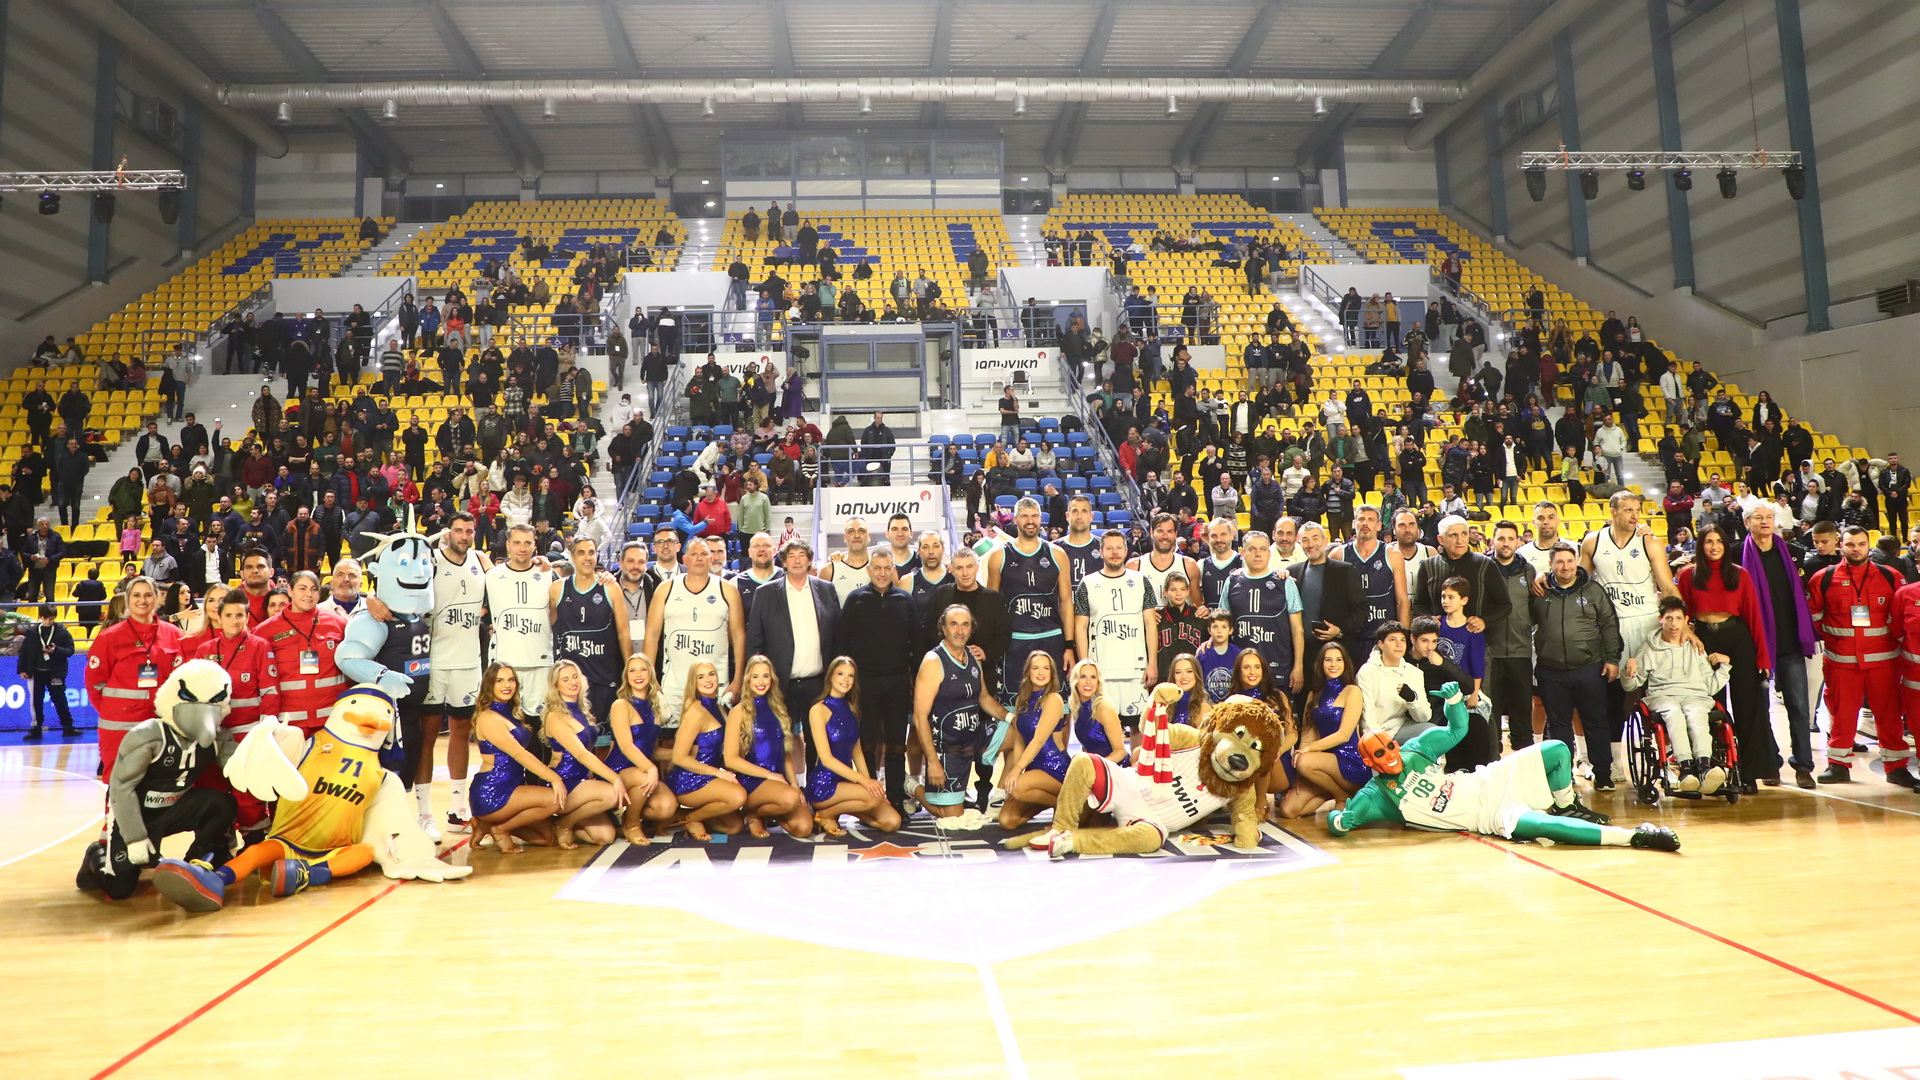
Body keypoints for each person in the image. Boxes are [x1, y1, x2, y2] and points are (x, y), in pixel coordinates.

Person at [1328, 686, 1677, 852]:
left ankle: (1567, 803)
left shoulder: (1414, 750)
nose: (1391, 753)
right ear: (1369, 762)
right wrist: (1339, 821)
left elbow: (1457, 729)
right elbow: (1340, 824)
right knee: (1548, 829)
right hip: (1488, 815)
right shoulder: (1376, 796)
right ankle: (1635, 836)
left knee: (1557, 749)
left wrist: (1454, 703)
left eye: (1390, 745)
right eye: (1380, 752)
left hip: (1489, 778)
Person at [1581, 491, 1680, 781]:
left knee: (1656, 692)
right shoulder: (1593, 541)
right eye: (1628, 510)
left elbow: (1666, 585)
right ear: (1612, 511)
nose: (1635, 515)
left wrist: (1684, 623)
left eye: (1637, 509)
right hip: (1611, 626)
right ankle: (1615, 761)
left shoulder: (1650, 541)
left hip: (1647, 623)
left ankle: (1667, 760)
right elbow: (1579, 583)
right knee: (1612, 697)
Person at [1675, 524, 1772, 790]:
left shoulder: (1740, 574)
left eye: (1719, 541)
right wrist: (1689, 633)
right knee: (1710, 709)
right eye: (1709, 541)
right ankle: (1715, 773)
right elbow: (1682, 613)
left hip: (1738, 640)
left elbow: (1754, 616)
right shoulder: (1688, 575)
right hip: (1704, 642)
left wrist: (1763, 658)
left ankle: (1749, 774)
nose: (1714, 546)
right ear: (1701, 545)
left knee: (1748, 708)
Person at [1808, 525, 1903, 785]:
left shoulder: (1890, 576)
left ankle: (1896, 767)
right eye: (1850, 544)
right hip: (1841, 661)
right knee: (1841, 714)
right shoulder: (1823, 578)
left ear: (1868, 545)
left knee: (1889, 715)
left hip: (1883, 661)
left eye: (1861, 544)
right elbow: (1813, 616)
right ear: (1841, 545)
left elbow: (1900, 615)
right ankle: (1838, 765)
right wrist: (1834, 641)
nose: (1856, 549)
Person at [831, 548, 921, 812]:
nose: (882, 573)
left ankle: (896, 799)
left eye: (887, 568)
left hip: (897, 683)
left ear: (894, 570)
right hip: (864, 685)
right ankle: (871, 801)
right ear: (869, 570)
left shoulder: (905, 600)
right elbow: (841, 642)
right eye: (877, 568)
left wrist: (917, 681)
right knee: (867, 744)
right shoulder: (855, 599)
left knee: (896, 745)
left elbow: (917, 643)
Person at [1532, 543, 1623, 788]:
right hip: (1551, 671)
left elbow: (1609, 624)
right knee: (1558, 727)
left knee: (1596, 722)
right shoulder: (1540, 591)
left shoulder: (1593, 590)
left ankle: (1603, 774)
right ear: (1550, 565)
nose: (1566, 567)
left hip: (1589, 668)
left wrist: (1612, 659)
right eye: (1559, 562)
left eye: (1570, 561)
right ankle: (1563, 777)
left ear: (1576, 562)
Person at [1623, 597, 1733, 794]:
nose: (1674, 624)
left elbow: (1710, 686)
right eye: (1669, 618)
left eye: (1678, 618)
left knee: (1696, 712)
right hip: (1662, 695)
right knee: (1673, 712)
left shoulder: (1695, 647)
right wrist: (1628, 671)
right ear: (1661, 620)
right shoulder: (1649, 648)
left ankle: (1704, 767)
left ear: (1686, 620)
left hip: (1695, 695)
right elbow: (1631, 685)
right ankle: (1686, 768)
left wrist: (1724, 666)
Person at [911, 604, 1010, 817]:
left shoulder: (973, 656)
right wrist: (932, 761)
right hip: (948, 749)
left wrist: (1012, 717)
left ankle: (999, 797)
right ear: (944, 628)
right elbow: (920, 717)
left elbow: (984, 698)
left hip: (974, 738)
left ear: (971, 628)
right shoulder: (933, 661)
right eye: (954, 624)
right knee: (951, 817)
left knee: (1020, 731)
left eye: (965, 625)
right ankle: (913, 786)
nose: (960, 630)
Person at [84, 577, 183, 785]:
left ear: (157, 598)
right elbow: (95, 683)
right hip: (119, 726)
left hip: (162, 724)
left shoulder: (174, 634)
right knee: (120, 785)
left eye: (148, 595)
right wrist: (113, 710)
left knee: (160, 786)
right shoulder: (109, 637)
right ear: (128, 599)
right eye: (136, 595)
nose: (142, 600)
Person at [645, 533, 747, 730]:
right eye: (694, 554)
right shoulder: (666, 589)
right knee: (669, 740)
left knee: (716, 739)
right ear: (684, 559)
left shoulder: (727, 590)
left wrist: (738, 679)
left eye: (704, 554)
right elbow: (652, 635)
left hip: (716, 684)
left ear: (711, 558)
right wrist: (651, 677)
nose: (699, 558)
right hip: (674, 685)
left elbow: (738, 636)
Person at [469, 664, 564, 853]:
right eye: (499, 681)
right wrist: (554, 779)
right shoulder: (488, 718)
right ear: (489, 685)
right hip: (493, 792)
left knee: (548, 838)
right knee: (555, 800)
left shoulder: (513, 712)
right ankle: (499, 828)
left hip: (514, 787)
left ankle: (486, 825)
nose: (507, 685)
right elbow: (520, 754)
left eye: (511, 680)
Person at [804, 657, 902, 835]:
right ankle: (825, 813)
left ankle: (835, 811)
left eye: (850, 676)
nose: (845, 679)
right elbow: (826, 759)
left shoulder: (851, 708)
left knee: (892, 822)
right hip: (825, 785)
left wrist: (871, 785)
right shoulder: (818, 710)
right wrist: (863, 782)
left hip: (847, 784)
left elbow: (857, 754)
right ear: (830, 677)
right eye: (840, 674)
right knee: (873, 798)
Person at [988, 498, 1074, 697]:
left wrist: (1069, 645)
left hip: (1051, 638)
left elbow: (1066, 602)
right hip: (1015, 640)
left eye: (1034, 516)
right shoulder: (999, 556)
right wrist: (993, 647)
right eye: (1025, 516)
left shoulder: (1057, 554)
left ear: (1040, 519)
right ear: (1015, 519)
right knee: (1017, 704)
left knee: (1057, 704)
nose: (1030, 520)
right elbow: (991, 606)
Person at [1072, 530, 1159, 725]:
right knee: (1099, 726)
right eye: (1109, 548)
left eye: (1119, 547)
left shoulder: (1142, 581)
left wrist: (1152, 663)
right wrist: (1085, 664)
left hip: (1136, 669)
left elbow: (1150, 624)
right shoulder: (1087, 583)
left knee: (1139, 726)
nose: (1114, 552)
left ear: (1126, 551)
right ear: (1101, 552)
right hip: (1101, 670)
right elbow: (1081, 627)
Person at [723, 655, 813, 838]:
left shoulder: (779, 709)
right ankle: (752, 811)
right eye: (755, 676)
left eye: (765, 676)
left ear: (772, 679)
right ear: (748, 679)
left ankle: (760, 813)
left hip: (779, 781)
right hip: (752, 781)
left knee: (803, 828)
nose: (761, 681)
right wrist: (768, 775)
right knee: (790, 798)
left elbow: (786, 753)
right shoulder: (738, 712)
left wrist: (794, 784)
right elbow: (730, 760)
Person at [542, 660, 627, 850]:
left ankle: (562, 822)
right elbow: (581, 754)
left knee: (605, 837)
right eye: (565, 679)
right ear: (556, 685)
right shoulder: (555, 716)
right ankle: (564, 824)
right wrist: (614, 778)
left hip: (582, 782)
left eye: (575, 677)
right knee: (612, 794)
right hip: (564, 783)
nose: (572, 682)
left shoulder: (581, 708)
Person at [1278, 640, 1367, 819]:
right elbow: (1307, 736)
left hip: (1349, 760)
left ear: (1345, 663)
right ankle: (1335, 791)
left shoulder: (1352, 691)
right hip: (1320, 765)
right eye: (1328, 660)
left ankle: (1341, 796)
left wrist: (1309, 751)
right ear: (1321, 664)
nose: (1334, 664)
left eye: (1338, 660)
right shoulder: (1313, 695)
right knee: (1288, 810)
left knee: (1305, 761)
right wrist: (1300, 771)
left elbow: (1344, 735)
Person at [255, 571, 348, 734]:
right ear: (290, 591)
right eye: (302, 588)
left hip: (332, 721)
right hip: (288, 724)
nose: (308, 594)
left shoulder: (338, 623)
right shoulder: (265, 631)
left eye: (314, 589)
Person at [665, 660, 749, 840]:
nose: (708, 680)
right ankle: (690, 819)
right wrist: (717, 773)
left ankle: (684, 815)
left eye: (711, 674)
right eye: (701, 677)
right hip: (689, 780)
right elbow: (678, 757)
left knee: (734, 827)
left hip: (710, 776)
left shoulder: (718, 707)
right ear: (693, 682)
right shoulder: (696, 712)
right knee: (737, 796)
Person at [484, 525, 557, 721]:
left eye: (527, 543)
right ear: (508, 545)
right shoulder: (492, 576)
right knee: (503, 725)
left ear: (535, 546)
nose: (522, 548)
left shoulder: (548, 573)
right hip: (505, 664)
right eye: (517, 543)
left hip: (540, 663)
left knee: (539, 727)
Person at [1223, 531, 1306, 694]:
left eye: (1262, 549)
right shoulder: (1232, 582)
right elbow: (1222, 623)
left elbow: (1297, 629)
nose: (1258, 554)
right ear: (1243, 553)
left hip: (1279, 668)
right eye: (1252, 549)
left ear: (1269, 552)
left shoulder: (1285, 582)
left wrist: (1298, 666)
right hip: (1242, 671)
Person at [997, 651, 1069, 830]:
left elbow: (1038, 740)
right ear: (1028, 672)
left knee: (1017, 788)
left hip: (1054, 768)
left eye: (1046, 668)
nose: (1041, 672)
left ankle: (1063, 806)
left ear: (1052, 673)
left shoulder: (1053, 699)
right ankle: (1054, 802)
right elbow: (1019, 742)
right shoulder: (1022, 699)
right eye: (1035, 668)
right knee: (1007, 820)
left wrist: (1017, 772)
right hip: (1033, 769)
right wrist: (1018, 772)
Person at [1485, 520, 1538, 751]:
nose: (1506, 543)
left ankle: (1525, 762)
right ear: (1493, 541)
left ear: (1518, 542)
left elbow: (1534, 608)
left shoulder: (1528, 570)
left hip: (1520, 651)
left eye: (1510, 539)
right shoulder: (1483, 568)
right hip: (1490, 653)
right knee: (1491, 714)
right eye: (1501, 538)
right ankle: (1491, 761)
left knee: (1522, 714)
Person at [1333, 504, 1411, 644]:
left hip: (1384, 637)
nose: (1365, 523)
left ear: (1379, 525)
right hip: (1350, 636)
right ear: (1354, 524)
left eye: (1370, 519)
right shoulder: (1338, 554)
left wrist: (1404, 638)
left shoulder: (1392, 554)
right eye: (1361, 519)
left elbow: (1402, 601)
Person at [20, 607, 79, 738]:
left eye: (51, 619)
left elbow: (70, 651)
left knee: (60, 700)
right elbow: (24, 651)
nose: (48, 622)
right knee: (36, 702)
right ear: (40, 617)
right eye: (45, 619)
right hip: (36, 672)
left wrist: (56, 650)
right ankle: (36, 728)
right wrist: (22, 669)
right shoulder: (33, 632)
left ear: (55, 618)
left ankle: (68, 726)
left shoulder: (62, 632)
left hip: (55, 672)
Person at [1131, 512, 1203, 604]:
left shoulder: (1189, 566)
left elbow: (1197, 606)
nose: (1165, 536)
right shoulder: (1134, 566)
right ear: (1152, 533)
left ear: (1176, 534)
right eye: (1160, 531)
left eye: (1170, 531)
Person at [819, 516, 875, 607]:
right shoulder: (829, 571)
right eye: (851, 531)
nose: (856, 536)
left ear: (869, 536)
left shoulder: (879, 568)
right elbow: (820, 607)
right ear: (844, 537)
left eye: (861, 531)